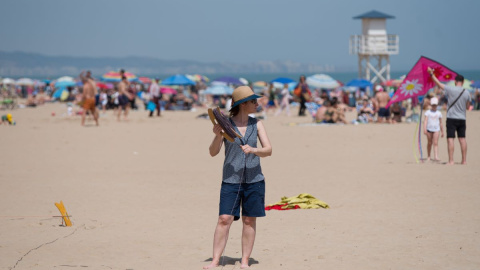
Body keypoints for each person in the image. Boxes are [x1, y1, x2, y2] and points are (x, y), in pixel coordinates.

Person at [205, 86, 272, 269]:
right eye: (253, 101)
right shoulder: (226, 125)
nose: (257, 104)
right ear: (243, 104)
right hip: (230, 180)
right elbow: (212, 153)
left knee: (249, 220)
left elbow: (268, 150)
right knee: (224, 219)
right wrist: (217, 137)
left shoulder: (257, 124)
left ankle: (244, 261)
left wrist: (254, 150)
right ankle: (216, 261)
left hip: (254, 180)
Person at [428, 67, 471, 165]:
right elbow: (468, 106)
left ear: (455, 82)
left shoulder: (451, 89)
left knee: (450, 139)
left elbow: (438, 83)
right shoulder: (467, 92)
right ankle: (464, 161)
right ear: (463, 82)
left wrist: (431, 74)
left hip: (451, 117)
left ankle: (451, 161)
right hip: (462, 118)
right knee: (462, 139)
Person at [423, 97, 444, 161]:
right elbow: (425, 121)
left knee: (435, 143)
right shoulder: (428, 112)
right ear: (431, 105)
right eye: (433, 105)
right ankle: (428, 156)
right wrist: (424, 129)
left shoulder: (439, 113)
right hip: (429, 129)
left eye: (435, 105)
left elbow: (441, 123)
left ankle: (436, 156)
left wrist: (442, 131)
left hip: (436, 129)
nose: (434, 106)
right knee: (429, 143)